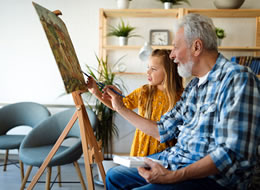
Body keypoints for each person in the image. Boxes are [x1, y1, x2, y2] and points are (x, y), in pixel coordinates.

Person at [103, 13, 260, 190]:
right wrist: (120, 107)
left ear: (197, 47)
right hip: (177, 163)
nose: (171, 55)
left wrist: (174, 177)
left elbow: (230, 154)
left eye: (175, 47)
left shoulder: (238, 79)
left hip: (211, 179)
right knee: (114, 176)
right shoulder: (194, 86)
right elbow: (162, 130)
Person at [86, 49, 183, 157]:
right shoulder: (144, 91)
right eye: (148, 67)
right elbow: (119, 106)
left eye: (153, 69)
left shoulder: (182, 96)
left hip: (165, 156)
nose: (148, 72)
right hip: (140, 152)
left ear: (169, 71)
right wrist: (96, 92)